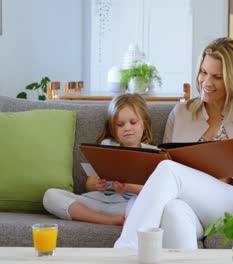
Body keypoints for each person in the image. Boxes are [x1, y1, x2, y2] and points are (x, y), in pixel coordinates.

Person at [114, 37, 233, 249]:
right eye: (203, 72)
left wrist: (224, 169)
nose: (206, 82)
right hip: (190, 205)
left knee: (168, 169)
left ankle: (125, 249)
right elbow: (162, 162)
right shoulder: (181, 112)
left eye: (217, 77)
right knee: (174, 211)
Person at [43, 94, 158, 225]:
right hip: (97, 202)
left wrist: (128, 187)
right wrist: (97, 185)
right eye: (120, 125)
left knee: (155, 207)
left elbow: (155, 191)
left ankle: (118, 218)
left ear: (144, 123)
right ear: (113, 128)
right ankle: (112, 221)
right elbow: (89, 185)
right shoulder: (106, 145)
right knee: (50, 195)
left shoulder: (153, 153)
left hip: (126, 206)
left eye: (133, 122)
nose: (127, 128)